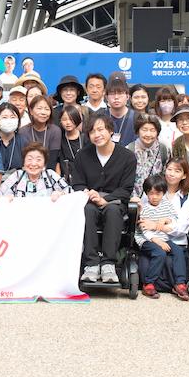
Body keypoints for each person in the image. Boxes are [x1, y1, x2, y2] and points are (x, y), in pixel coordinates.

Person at [72, 112, 137, 284]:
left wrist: (106, 199)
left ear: (110, 131)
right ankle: (91, 264)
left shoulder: (127, 156)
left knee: (113, 211)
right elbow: (77, 184)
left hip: (115, 201)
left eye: (101, 129)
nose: (97, 134)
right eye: (92, 131)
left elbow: (126, 189)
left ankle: (109, 264)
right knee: (87, 211)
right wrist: (87, 193)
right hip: (90, 201)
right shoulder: (82, 155)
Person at [135, 174, 188, 300]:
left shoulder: (166, 205)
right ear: (146, 193)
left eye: (157, 194)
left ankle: (180, 283)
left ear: (163, 193)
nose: (154, 197)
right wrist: (158, 242)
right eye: (151, 193)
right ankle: (149, 283)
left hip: (164, 238)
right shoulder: (144, 209)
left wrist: (165, 220)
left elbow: (174, 218)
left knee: (178, 251)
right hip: (147, 240)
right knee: (160, 253)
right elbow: (144, 230)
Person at [0, 142, 71, 198]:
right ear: (24, 162)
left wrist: (60, 194)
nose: (33, 164)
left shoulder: (50, 175)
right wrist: (7, 198)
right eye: (29, 159)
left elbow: (70, 192)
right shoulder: (17, 176)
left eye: (38, 160)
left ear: (44, 164)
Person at [127, 114, 170, 205]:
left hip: (157, 200)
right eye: (144, 130)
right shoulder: (129, 150)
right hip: (134, 200)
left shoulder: (164, 149)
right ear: (138, 131)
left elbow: (166, 175)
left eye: (152, 130)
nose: (148, 134)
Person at [18, 94, 63, 172]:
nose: (43, 112)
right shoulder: (22, 132)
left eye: (47, 109)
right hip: (27, 171)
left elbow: (53, 159)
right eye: (39, 108)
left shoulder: (55, 131)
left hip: (48, 173)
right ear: (31, 111)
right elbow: (21, 159)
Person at [0, 103, 24, 174]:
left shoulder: (24, 141)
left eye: (12, 117)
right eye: (4, 117)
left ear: (18, 120)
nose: (9, 120)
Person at [105, 76, 136, 146]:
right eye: (112, 93)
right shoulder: (101, 117)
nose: (116, 97)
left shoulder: (136, 117)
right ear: (106, 97)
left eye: (120, 93)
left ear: (127, 96)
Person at [58, 104, 86, 179]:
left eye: (71, 119)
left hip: (85, 177)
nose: (68, 122)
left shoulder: (86, 138)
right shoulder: (59, 139)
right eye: (64, 119)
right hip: (67, 179)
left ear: (77, 119)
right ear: (60, 121)